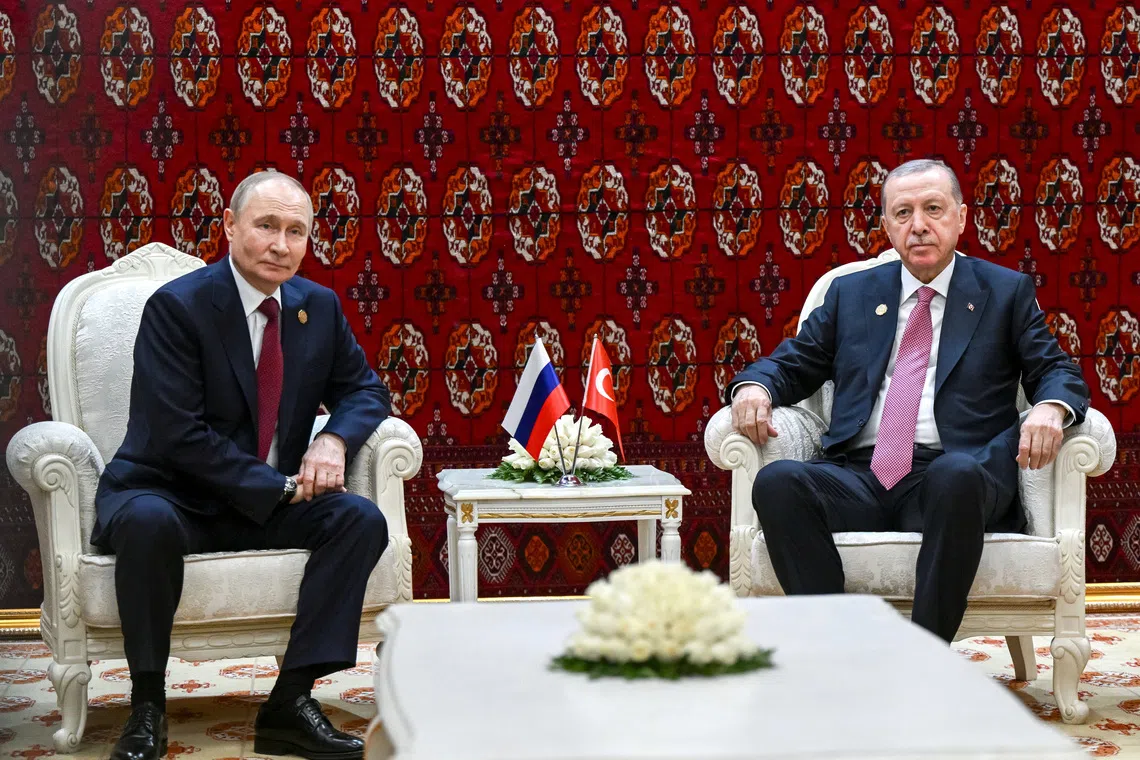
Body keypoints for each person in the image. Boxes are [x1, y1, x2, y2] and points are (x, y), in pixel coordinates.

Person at [92, 171, 390, 760]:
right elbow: (178, 435)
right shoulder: (178, 307)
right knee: (147, 523)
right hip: (171, 494)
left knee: (359, 520)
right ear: (229, 226)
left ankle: (289, 703)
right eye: (266, 226)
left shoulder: (317, 308)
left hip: (267, 500)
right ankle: (147, 707)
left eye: (296, 231)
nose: (281, 245)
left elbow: (365, 391)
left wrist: (332, 441)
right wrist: (278, 487)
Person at [727, 158, 1089, 643]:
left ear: (961, 217)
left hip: (957, 479)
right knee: (777, 482)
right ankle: (839, 648)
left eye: (933, 209)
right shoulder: (851, 294)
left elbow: (1057, 370)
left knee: (954, 475)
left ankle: (923, 658)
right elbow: (793, 363)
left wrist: (1050, 408)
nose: (918, 225)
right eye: (903, 213)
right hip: (862, 475)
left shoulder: (1004, 292)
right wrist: (755, 387)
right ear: (886, 226)